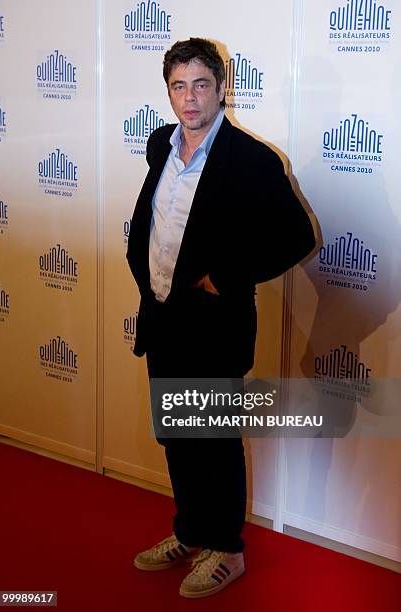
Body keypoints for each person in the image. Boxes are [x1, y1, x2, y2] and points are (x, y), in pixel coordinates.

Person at [126, 37, 315, 598]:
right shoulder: (161, 145)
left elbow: (297, 237)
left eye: (200, 85)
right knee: (177, 439)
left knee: (212, 438)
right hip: (162, 318)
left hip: (214, 327)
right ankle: (190, 533)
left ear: (221, 87)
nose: (189, 98)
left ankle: (227, 550)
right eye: (179, 87)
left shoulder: (252, 159)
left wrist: (227, 277)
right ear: (169, 93)